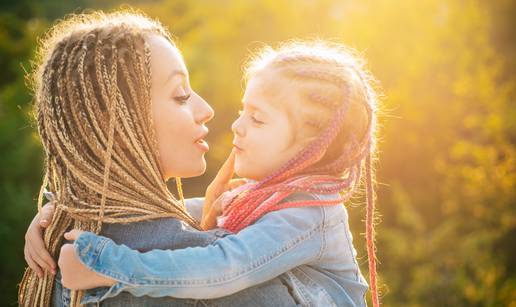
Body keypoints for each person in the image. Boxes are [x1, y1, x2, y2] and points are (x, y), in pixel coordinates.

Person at [39, 40, 382, 306]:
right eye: (242, 111)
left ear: (313, 150)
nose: (236, 126)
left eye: (257, 119)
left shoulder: (309, 215)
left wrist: (112, 266)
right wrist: (67, 212)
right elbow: (181, 209)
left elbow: (225, 268)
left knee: (207, 259)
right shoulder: (262, 195)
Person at [19, 10, 298, 307]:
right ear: (114, 120)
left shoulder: (58, 244)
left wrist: (56, 206)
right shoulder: (204, 270)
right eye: (180, 95)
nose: (206, 109)